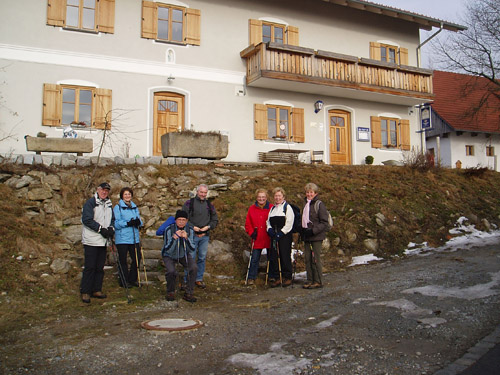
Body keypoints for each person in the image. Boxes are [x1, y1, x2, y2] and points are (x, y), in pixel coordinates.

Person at [80, 182, 115, 303]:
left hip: (103, 241)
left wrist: (111, 228)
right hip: (91, 240)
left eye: (107, 190)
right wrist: (100, 229)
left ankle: (96, 289)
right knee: (90, 266)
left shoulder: (109, 204)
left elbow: (112, 219)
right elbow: (87, 220)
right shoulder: (91, 203)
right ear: (98, 190)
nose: (104, 192)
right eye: (102, 190)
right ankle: (85, 291)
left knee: (100, 267)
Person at [182, 184, 218, 289]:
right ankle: (187, 279)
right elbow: (182, 218)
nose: (203, 194)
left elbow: (215, 220)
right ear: (197, 192)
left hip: (205, 235)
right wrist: (192, 227)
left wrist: (208, 227)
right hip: (192, 234)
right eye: (201, 192)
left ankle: (198, 279)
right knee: (190, 257)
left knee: (202, 257)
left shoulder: (209, 205)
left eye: (205, 193)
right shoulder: (189, 203)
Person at [162, 210, 197, 302]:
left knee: (193, 267)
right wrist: (174, 238)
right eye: (179, 219)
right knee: (171, 271)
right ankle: (170, 291)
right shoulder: (169, 230)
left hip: (183, 254)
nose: (181, 222)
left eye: (183, 220)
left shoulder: (190, 230)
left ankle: (189, 292)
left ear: (186, 221)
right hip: (169, 255)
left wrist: (186, 238)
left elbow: (192, 248)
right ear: (176, 220)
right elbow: (167, 249)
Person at [301, 183, 329, 289]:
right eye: (307, 192)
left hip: (316, 236)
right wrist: (302, 230)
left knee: (315, 259)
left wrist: (313, 231)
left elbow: (324, 222)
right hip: (307, 235)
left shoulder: (319, 204)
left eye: (311, 192)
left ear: (315, 193)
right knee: (307, 258)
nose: (309, 194)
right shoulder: (305, 204)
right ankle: (309, 279)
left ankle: (318, 280)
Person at [113, 187, 142, 288]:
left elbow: (139, 220)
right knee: (123, 260)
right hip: (122, 238)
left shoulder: (134, 207)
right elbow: (116, 223)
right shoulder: (118, 208)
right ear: (122, 196)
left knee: (137, 258)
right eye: (125, 194)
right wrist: (128, 223)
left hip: (134, 237)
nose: (127, 196)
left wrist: (139, 222)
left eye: (129, 194)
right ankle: (123, 280)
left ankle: (132, 279)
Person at [266, 187, 294, 287]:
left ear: (283, 196)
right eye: (276, 196)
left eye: (279, 196)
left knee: (284, 255)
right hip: (274, 235)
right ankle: (278, 277)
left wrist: (281, 233)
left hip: (284, 236)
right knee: (274, 256)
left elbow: (289, 223)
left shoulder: (287, 207)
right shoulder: (272, 209)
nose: (277, 198)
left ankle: (287, 277)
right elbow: (268, 221)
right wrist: (269, 229)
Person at [244, 189, 273, 285]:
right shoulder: (252, 208)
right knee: (254, 258)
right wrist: (251, 233)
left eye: (263, 197)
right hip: (257, 237)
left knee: (271, 257)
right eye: (259, 197)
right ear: (256, 198)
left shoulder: (271, 208)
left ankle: (272, 276)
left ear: (266, 198)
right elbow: (248, 223)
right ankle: (251, 277)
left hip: (268, 236)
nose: (261, 199)